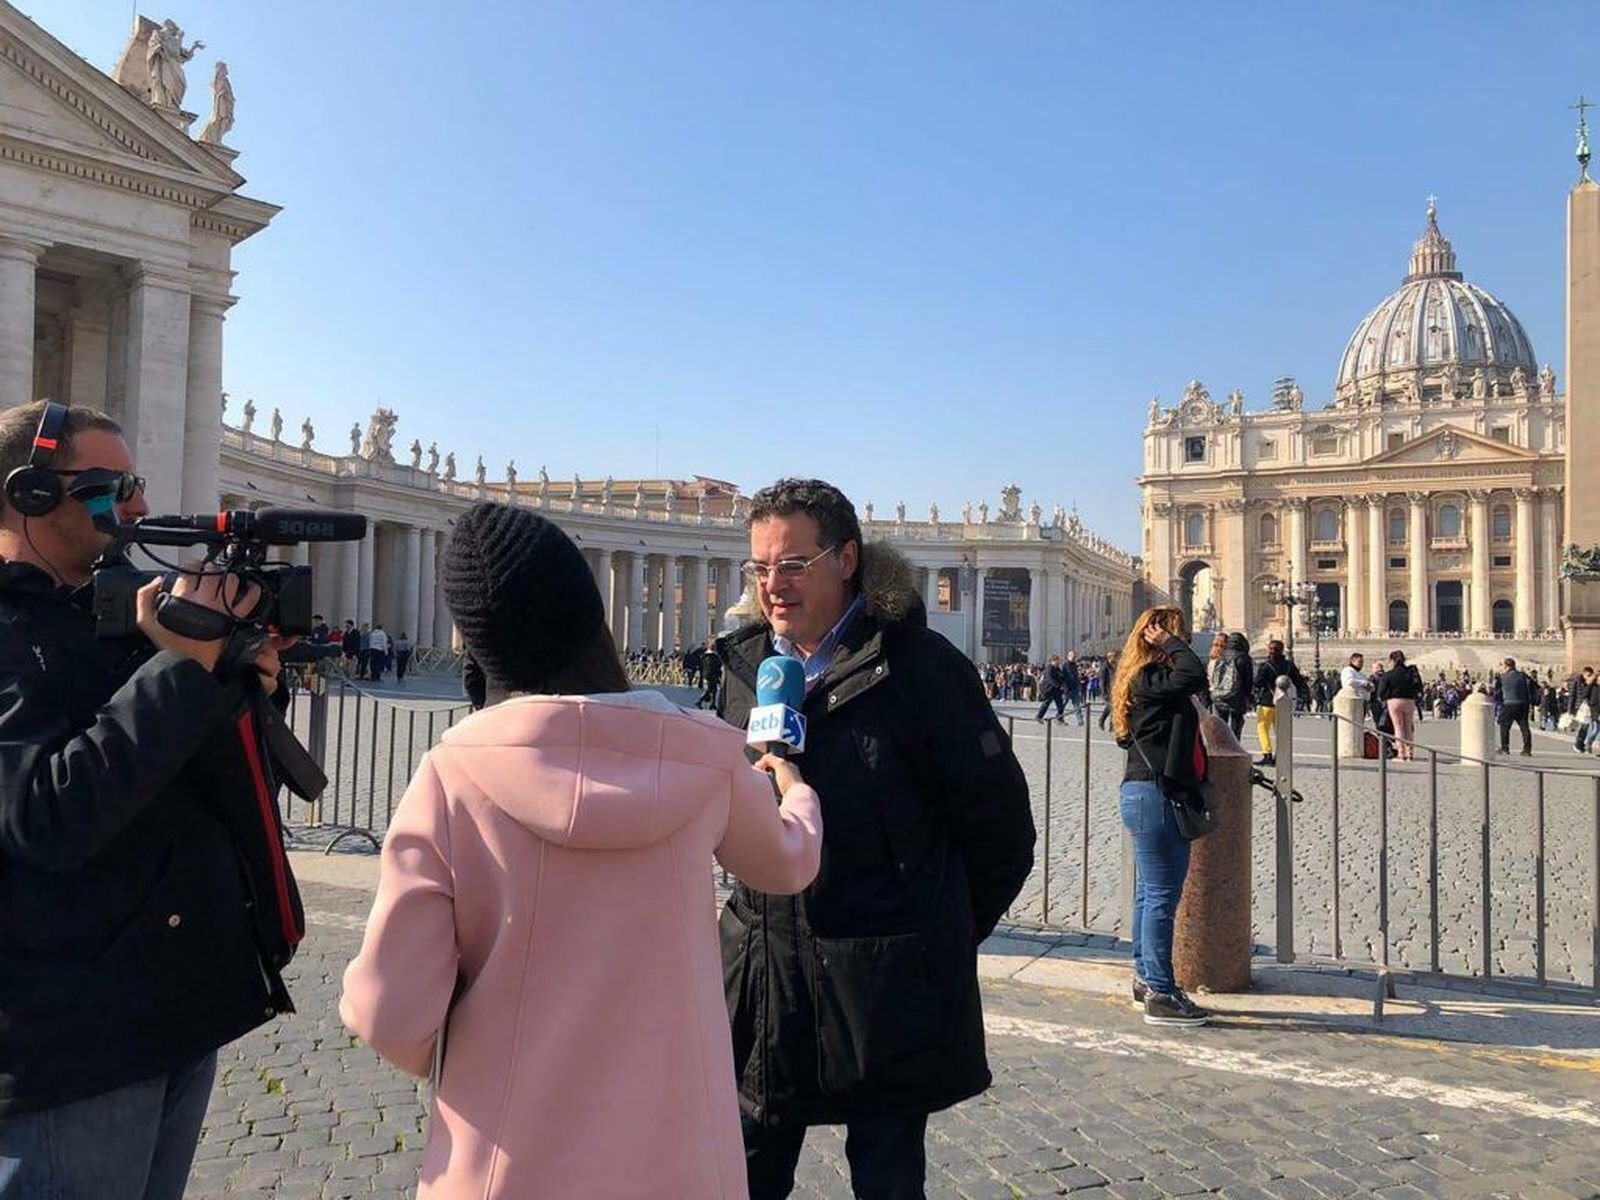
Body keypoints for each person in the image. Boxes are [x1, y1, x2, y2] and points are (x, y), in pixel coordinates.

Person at [340, 504, 823, 1198]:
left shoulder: (450, 776)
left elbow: (389, 1011)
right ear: (591, 617)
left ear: (483, 647)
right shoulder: (707, 755)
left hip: (506, 1164)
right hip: (679, 1159)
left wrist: (478, 1056)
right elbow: (787, 861)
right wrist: (795, 789)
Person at [0, 401, 302, 1197]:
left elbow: (184, 778)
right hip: (73, 1043)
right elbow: (49, 819)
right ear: (29, 493)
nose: (137, 504)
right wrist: (182, 671)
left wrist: (238, 691)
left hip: (174, 1012)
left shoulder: (126, 611)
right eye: (113, 485)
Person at [713, 478, 1034, 1200]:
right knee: (740, 1175)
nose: (774, 586)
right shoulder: (740, 671)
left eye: (794, 564)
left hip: (885, 993)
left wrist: (931, 934)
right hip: (765, 978)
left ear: (847, 558)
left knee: (888, 1180)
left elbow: (1001, 832)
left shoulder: (922, 669)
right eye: (760, 568)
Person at [1111, 605, 1210, 1028]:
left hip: (1144, 794)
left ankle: (1146, 979)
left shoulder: (1143, 682)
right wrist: (1170, 643)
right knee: (1160, 898)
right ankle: (1161, 993)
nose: (1183, 641)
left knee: (1148, 894)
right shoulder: (1152, 679)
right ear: (1155, 637)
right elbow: (1194, 674)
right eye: (1178, 634)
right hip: (1156, 796)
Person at [1375, 649, 1423, 761]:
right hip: (1409, 701)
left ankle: (1401, 753)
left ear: (1392, 660)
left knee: (1398, 727)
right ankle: (1410, 753)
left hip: (1394, 701)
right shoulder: (1411, 672)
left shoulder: (1389, 674)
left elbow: (1381, 691)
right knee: (1408, 727)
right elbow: (1418, 686)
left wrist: (1384, 699)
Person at [1209, 632, 1252, 738]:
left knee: (1221, 726)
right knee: (1235, 726)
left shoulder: (1221, 655)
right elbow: (1248, 681)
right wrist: (1248, 696)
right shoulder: (1243, 658)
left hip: (1219, 696)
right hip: (1237, 697)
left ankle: (1222, 748)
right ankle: (1234, 749)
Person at [1035, 653, 1067, 722]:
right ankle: (1039, 716)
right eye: (1057, 661)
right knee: (1046, 703)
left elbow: (1061, 677)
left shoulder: (1057, 669)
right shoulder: (1049, 668)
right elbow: (1050, 679)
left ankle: (1059, 718)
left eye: (1059, 661)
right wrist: (1058, 685)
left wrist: (1063, 684)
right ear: (1053, 661)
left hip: (1056, 690)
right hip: (1049, 689)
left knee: (1060, 704)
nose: (1058, 662)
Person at [1097, 651, 1117, 729]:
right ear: (1110, 657)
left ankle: (1109, 724)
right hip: (1108, 690)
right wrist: (1103, 692)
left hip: (1114, 689)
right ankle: (1104, 721)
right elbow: (1102, 680)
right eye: (1114, 657)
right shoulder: (1105, 666)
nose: (1115, 659)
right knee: (1112, 706)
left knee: (1112, 707)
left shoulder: (1114, 665)